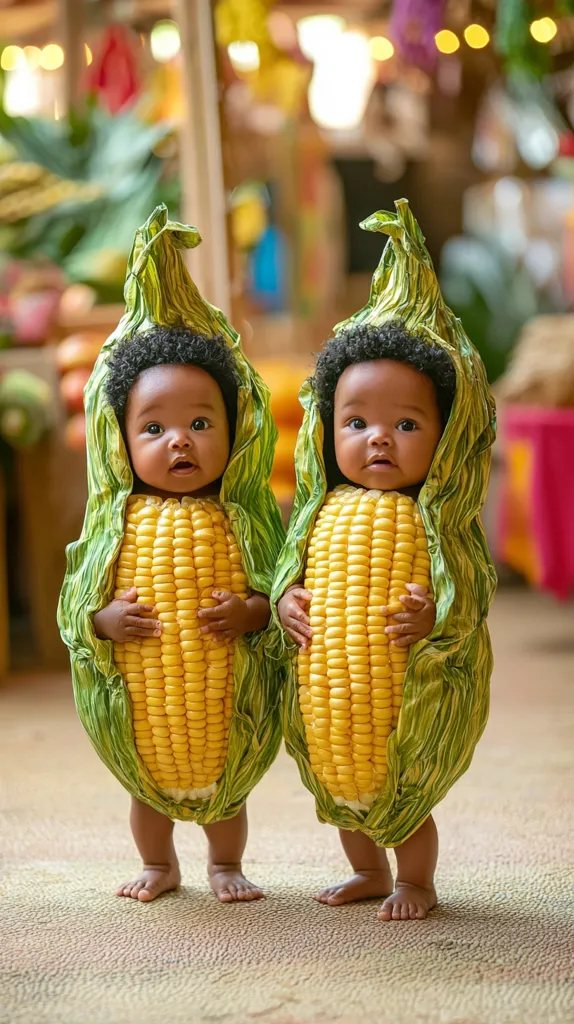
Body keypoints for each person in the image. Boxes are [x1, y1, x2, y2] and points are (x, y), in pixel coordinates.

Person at [277, 320, 457, 921]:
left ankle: (417, 881)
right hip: (333, 693)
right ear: (328, 435)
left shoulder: (434, 521)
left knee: (404, 799)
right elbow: (288, 572)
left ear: (443, 437)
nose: (380, 439)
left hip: (404, 698)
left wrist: (433, 613)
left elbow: (465, 595)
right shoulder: (320, 511)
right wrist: (286, 600)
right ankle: (366, 870)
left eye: (406, 425)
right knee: (342, 797)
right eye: (357, 424)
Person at [92, 325, 274, 904]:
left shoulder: (241, 517)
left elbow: (276, 590)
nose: (179, 442)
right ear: (122, 441)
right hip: (149, 707)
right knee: (145, 793)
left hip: (220, 701)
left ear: (233, 430)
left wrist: (248, 613)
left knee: (228, 791)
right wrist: (106, 620)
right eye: (154, 428)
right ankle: (158, 863)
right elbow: (78, 604)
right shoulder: (113, 526)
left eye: (200, 424)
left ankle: (225, 863)